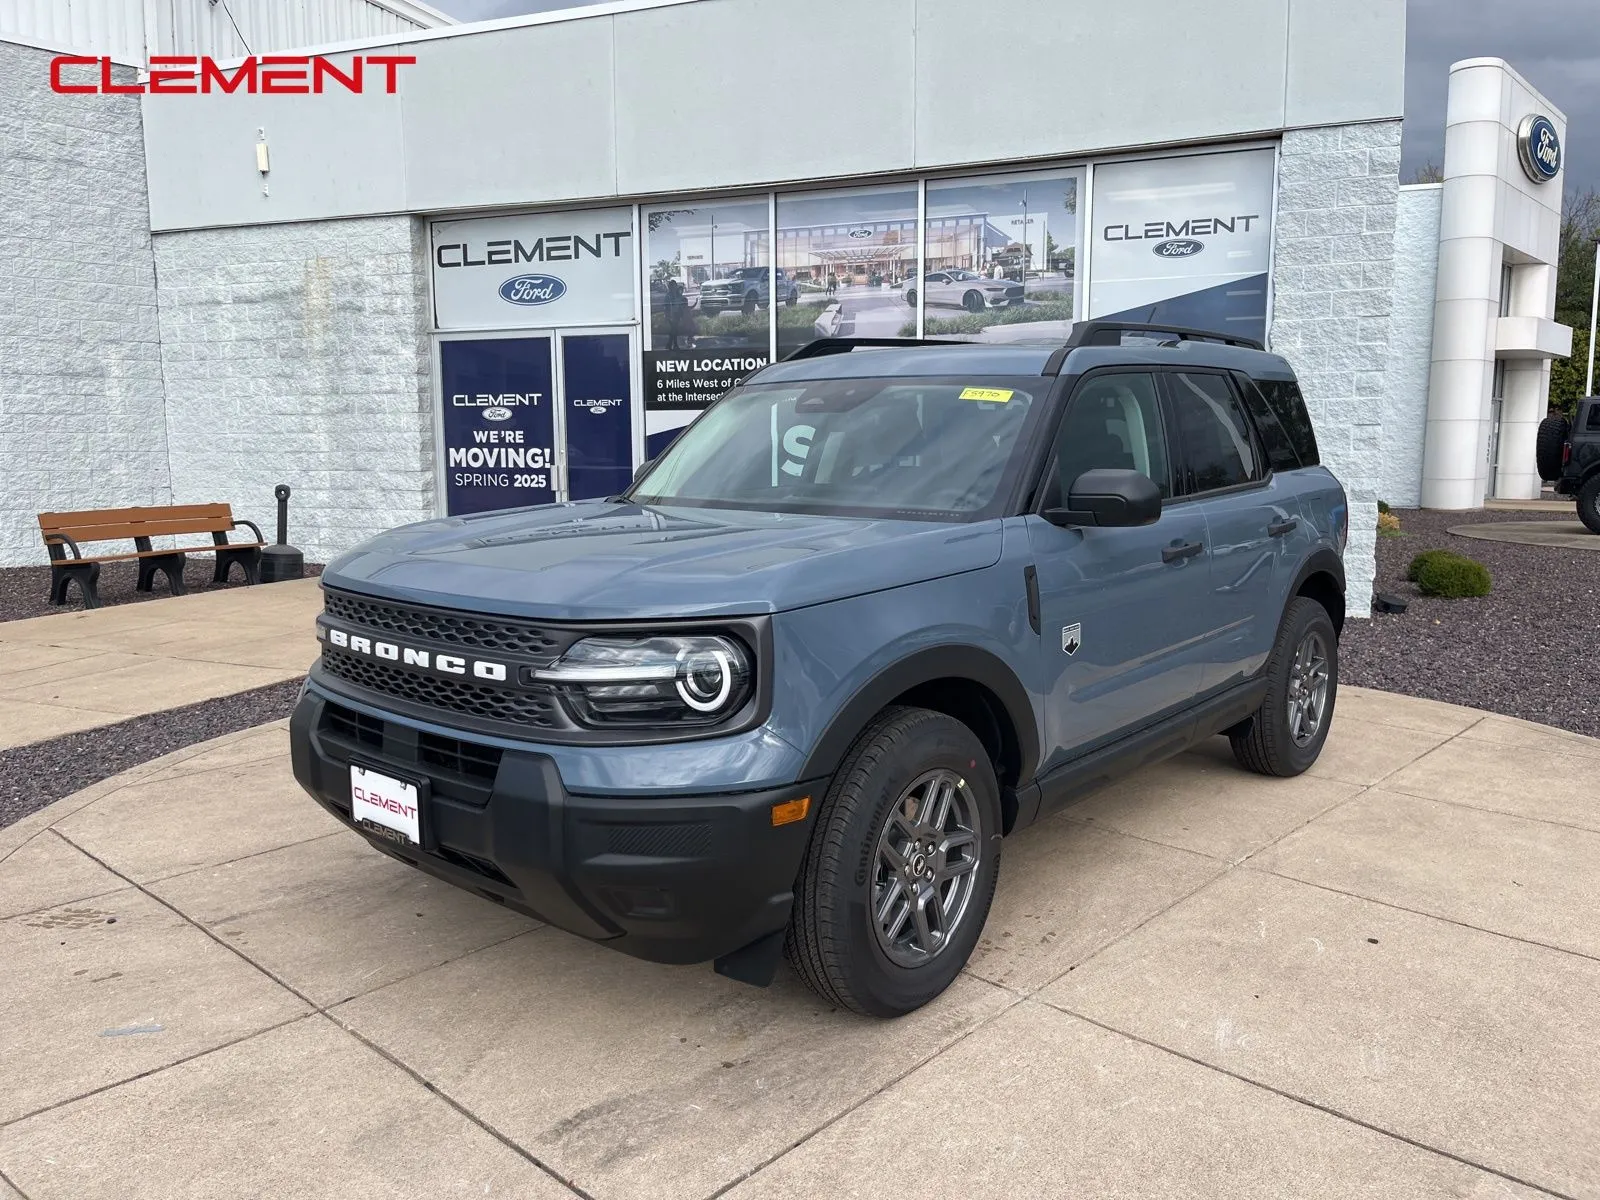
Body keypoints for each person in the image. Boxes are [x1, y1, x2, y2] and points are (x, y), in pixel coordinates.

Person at [663, 279, 691, 349]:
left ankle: (669, 344)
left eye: (675, 286)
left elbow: (682, 300)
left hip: (677, 314)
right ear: (670, 287)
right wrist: (667, 315)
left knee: (674, 329)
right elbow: (666, 307)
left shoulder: (677, 294)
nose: (674, 288)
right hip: (671, 314)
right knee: (674, 329)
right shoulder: (668, 296)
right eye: (672, 286)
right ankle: (674, 345)